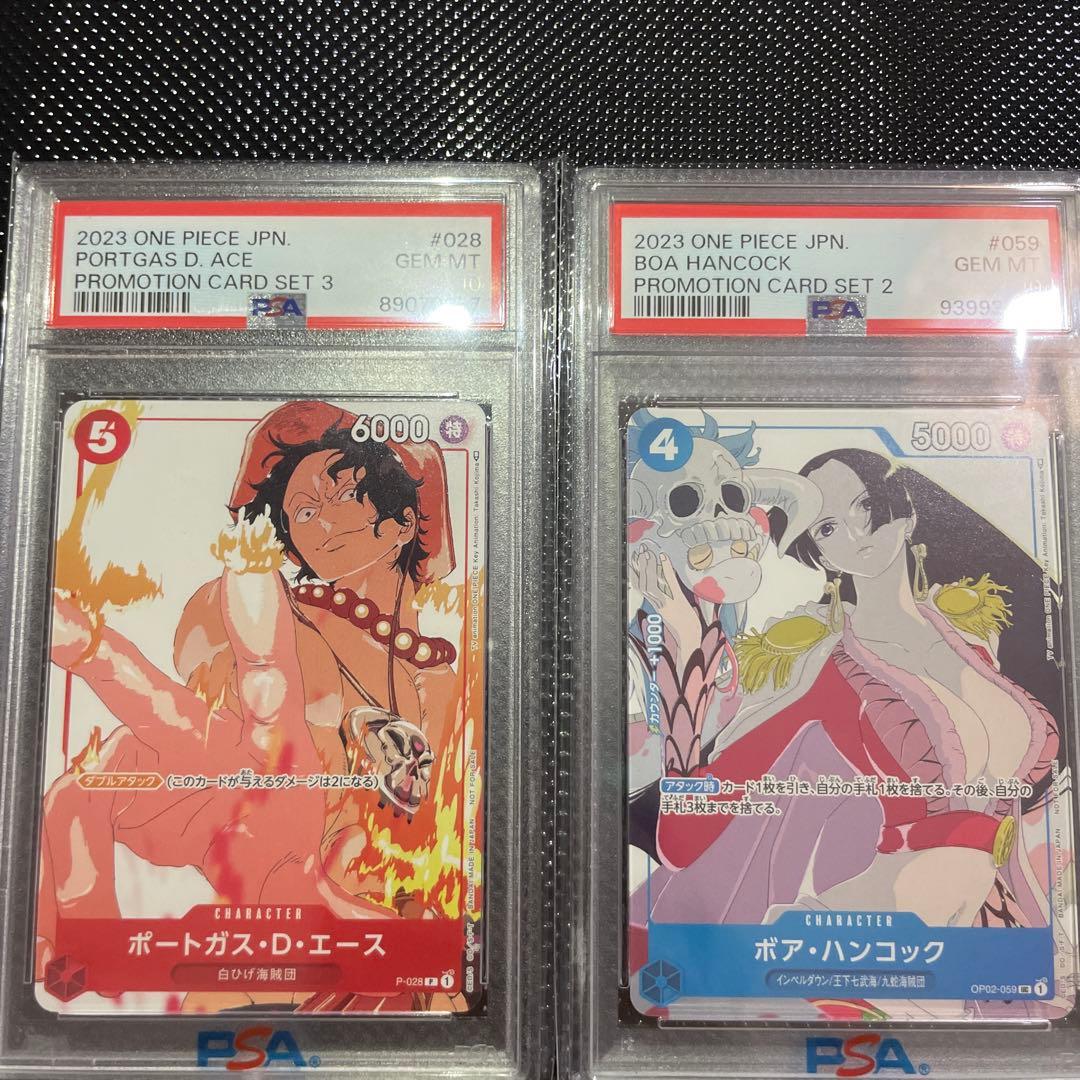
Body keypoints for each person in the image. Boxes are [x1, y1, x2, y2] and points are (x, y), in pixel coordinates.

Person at [38, 401, 465, 1012]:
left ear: (402, 523)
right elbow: (239, 722)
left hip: (417, 970)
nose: (317, 522)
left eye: (340, 495)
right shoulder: (265, 615)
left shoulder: (454, 677)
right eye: (301, 512)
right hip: (274, 956)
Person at [631, 448, 1065, 1016]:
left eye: (865, 505)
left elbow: (1013, 819)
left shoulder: (976, 645)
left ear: (906, 513)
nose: (856, 532)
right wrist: (686, 652)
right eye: (828, 527)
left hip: (996, 935)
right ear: (819, 553)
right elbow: (683, 835)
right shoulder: (825, 668)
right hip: (875, 940)